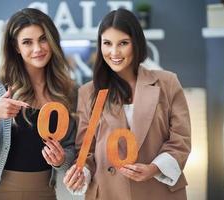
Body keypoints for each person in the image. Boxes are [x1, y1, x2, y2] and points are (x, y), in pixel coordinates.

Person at [64, 8, 191, 200]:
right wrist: (81, 172)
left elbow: (181, 140)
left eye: (123, 43)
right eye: (107, 43)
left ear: (136, 44)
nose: (114, 52)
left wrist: (154, 169)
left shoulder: (168, 83)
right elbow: (86, 152)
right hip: (108, 192)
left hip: (158, 190)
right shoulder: (88, 93)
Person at [0, 8, 76, 200]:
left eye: (43, 39)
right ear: (16, 47)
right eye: (27, 42)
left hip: (44, 192)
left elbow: (71, 149)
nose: (38, 48)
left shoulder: (67, 92)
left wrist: (62, 159)